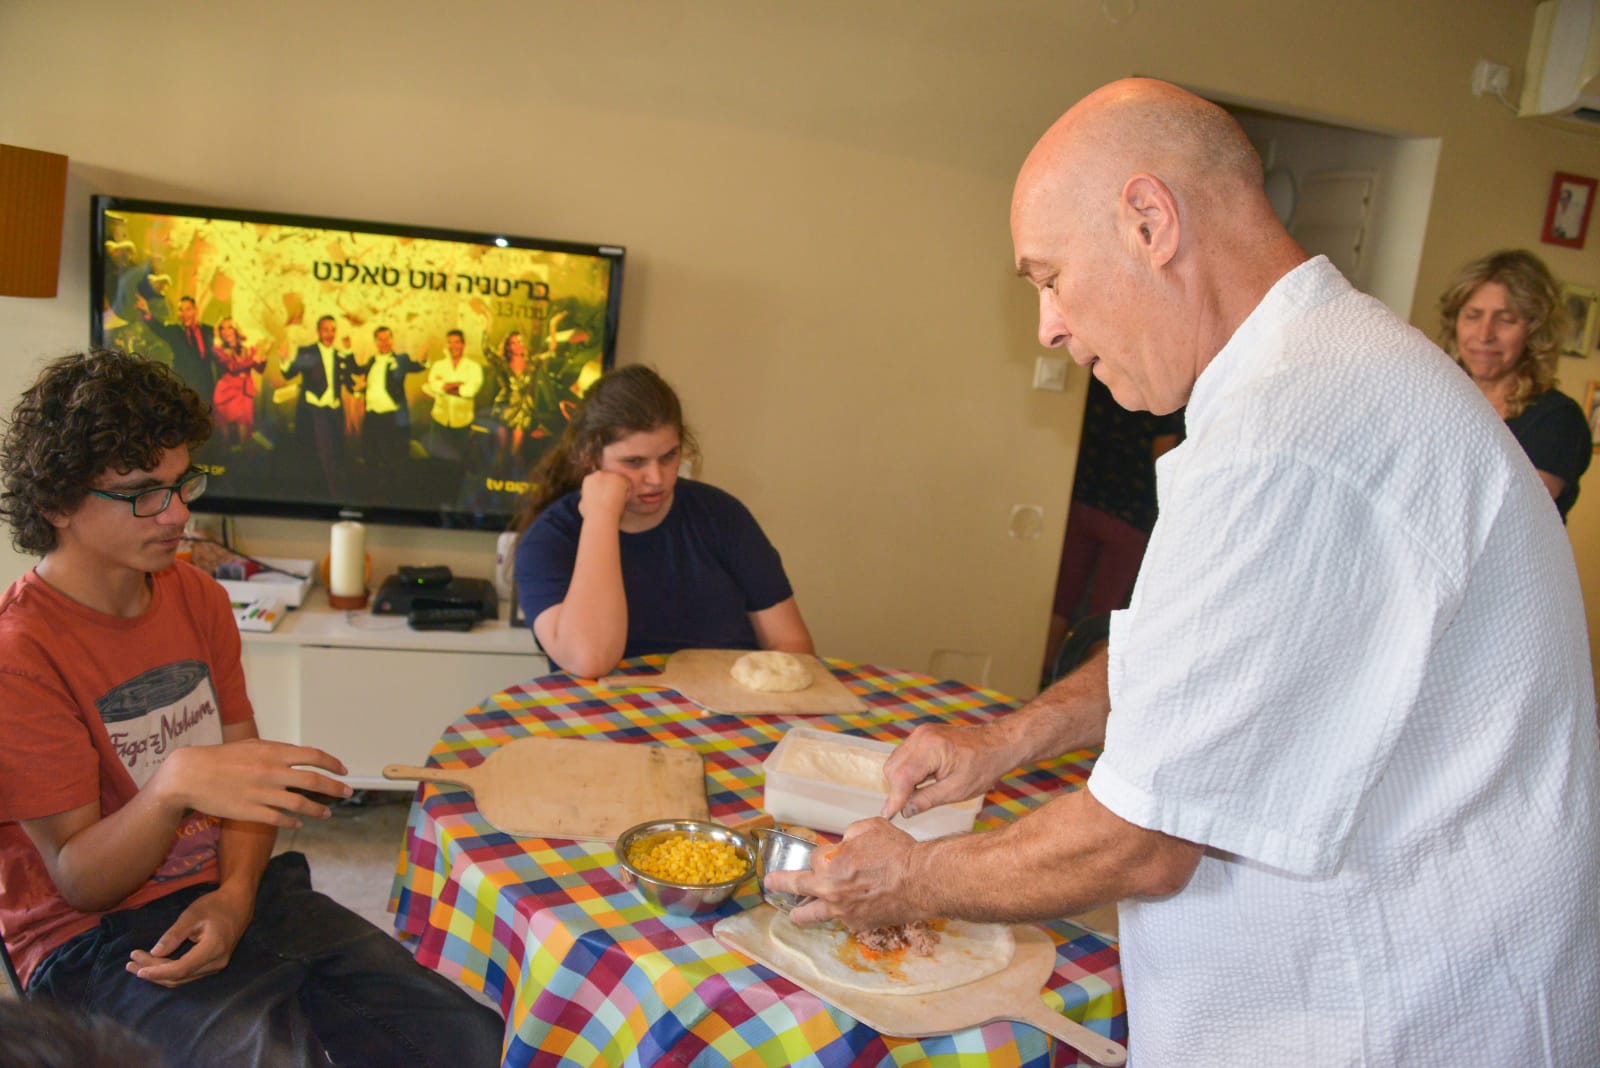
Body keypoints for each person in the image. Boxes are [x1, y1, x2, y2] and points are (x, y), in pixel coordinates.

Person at [765, 78, 1600, 1066]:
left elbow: (1138, 843)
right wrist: (1006, 739)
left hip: (1383, 1023)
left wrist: (912, 878)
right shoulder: (1318, 380)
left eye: (1049, 276)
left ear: (1149, 221)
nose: (1048, 327)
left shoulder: (1296, 436)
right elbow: (1196, 656)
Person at [0, 349, 503, 1067]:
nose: (178, 513)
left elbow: (246, 790)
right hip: (93, 939)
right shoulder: (21, 652)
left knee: (471, 1042)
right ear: (56, 504)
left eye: (182, 484)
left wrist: (235, 896)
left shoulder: (195, 595)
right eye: (144, 493)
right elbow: (81, 881)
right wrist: (177, 783)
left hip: (231, 885)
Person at [514, 364, 814, 678]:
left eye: (669, 456)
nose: (656, 478)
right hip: (606, 721)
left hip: (725, 715)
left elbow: (791, 643)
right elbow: (590, 660)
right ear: (591, 456)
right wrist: (601, 516)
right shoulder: (548, 540)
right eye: (634, 462)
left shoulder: (723, 516)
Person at [1439, 249, 1592, 521]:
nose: (1484, 334)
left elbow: (1509, 515)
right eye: (1473, 316)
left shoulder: (1557, 418)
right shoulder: (1439, 400)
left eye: (1506, 319)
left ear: (1535, 332)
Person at [1043, 375, 1181, 676]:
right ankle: (1081, 697)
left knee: (1060, 603)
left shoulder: (1096, 382)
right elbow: (1164, 458)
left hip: (1082, 502)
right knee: (1104, 616)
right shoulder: (1162, 396)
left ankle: (1041, 681)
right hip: (1129, 516)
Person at [278, 314, 354, 499]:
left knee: (336, 454)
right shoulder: (307, 352)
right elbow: (289, 373)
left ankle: (334, 496)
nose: (330, 333)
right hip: (314, 412)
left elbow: (349, 377)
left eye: (333, 329)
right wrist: (283, 358)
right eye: (326, 329)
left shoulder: (339, 355)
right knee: (320, 454)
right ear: (318, 331)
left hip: (334, 411)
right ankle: (324, 494)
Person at [357, 325, 427, 476]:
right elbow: (368, 384)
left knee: (392, 456)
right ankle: (373, 487)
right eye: (380, 339)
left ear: (392, 340)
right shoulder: (371, 361)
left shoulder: (401, 360)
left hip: (390, 416)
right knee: (370, 453)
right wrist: (360, 389)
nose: (384, 342)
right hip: (371, 415)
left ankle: (392, 488)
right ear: (375, 342)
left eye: (387, 338)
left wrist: (423, 358)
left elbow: (418, 366)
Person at [423, 329, 483, 462]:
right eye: (450, 343)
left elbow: (469, 391)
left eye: (456, 342)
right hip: (439, 421)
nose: (453, 346)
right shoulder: (439, 365)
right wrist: (458, 385)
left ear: (463, 345)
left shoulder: (473, 367)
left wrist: (445, 387)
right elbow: (434, 386)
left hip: (462, 423)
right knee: (436, 461)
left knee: (459, 462)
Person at [209, 316, 266, 450]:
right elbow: (233, 367)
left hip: (244, 393)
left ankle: (246, 467)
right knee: (226, 440)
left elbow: (260, 369)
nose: (226, 331)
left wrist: (263, 357)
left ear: (236, 330)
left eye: (229, 327)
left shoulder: (248, 349)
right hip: (226, 394)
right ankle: (229, 467)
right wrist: (254, 358)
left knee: (246, 437)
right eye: (222, 328)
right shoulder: (218, 350)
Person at [146, 295, 216, 400]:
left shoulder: (208, 331)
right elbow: (159, 328)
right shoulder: (175, 331)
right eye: (181, 310)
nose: (184, 314)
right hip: (184, 385)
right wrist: (147, 313)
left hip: (206, 386)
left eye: (188, 309)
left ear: (195, 310)